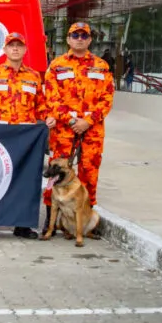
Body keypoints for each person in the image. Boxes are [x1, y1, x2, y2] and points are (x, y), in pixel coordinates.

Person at [0, 32, 56, 240]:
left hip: (25, 138)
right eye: (11, 45)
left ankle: (22, 225)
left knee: (25, 180)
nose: (15, 49)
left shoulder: (33, 76)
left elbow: (40, 105)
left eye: (19, 46)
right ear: (4, 49)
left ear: (25, 50)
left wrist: (48, 117)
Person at [42, 21, 115, 234]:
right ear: (68, 39)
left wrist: (88, 122)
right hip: (64, 132)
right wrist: (73, 121)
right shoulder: (57, 65)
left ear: (90, 40)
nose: (80, 39)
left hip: (92, 132)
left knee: (89, 174)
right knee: (57, 174)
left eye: (84, 36)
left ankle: (85, 222)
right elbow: (51, 98)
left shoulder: (101, 66)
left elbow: (107, 97)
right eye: (75, 36)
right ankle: (51, 221)